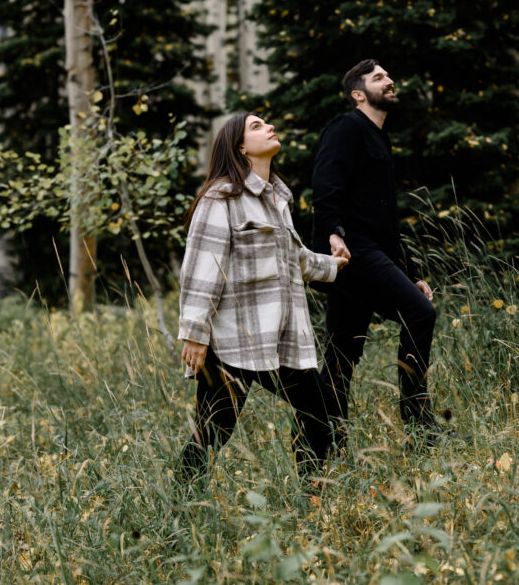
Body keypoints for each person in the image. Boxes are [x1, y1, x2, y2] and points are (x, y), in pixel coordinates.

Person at [177, 111, 349, 485]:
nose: (269, 127)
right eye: (256, 126)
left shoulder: (277, 199)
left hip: (279, 340)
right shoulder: (220, 198)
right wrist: (194, 331)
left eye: (265, 123)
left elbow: (295, 259)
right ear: (240, 147)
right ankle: (179, 504)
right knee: (213, 431)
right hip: (233, 341)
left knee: (322, 413)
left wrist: (332, 266)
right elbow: (202, 267)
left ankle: (314, 492)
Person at [312, 59, 443, 447]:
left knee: (341, 354)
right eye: (378, 78)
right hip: (353, 251)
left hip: (369, 250)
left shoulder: (379, 137)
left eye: (388, 76)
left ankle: (321, 442)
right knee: (420, 314)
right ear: (358, 93)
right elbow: (325, 183)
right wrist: (333, 234)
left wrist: (411, 272)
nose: (389, 81)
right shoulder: (346, 127)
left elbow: (384, 218)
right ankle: (419, 427)